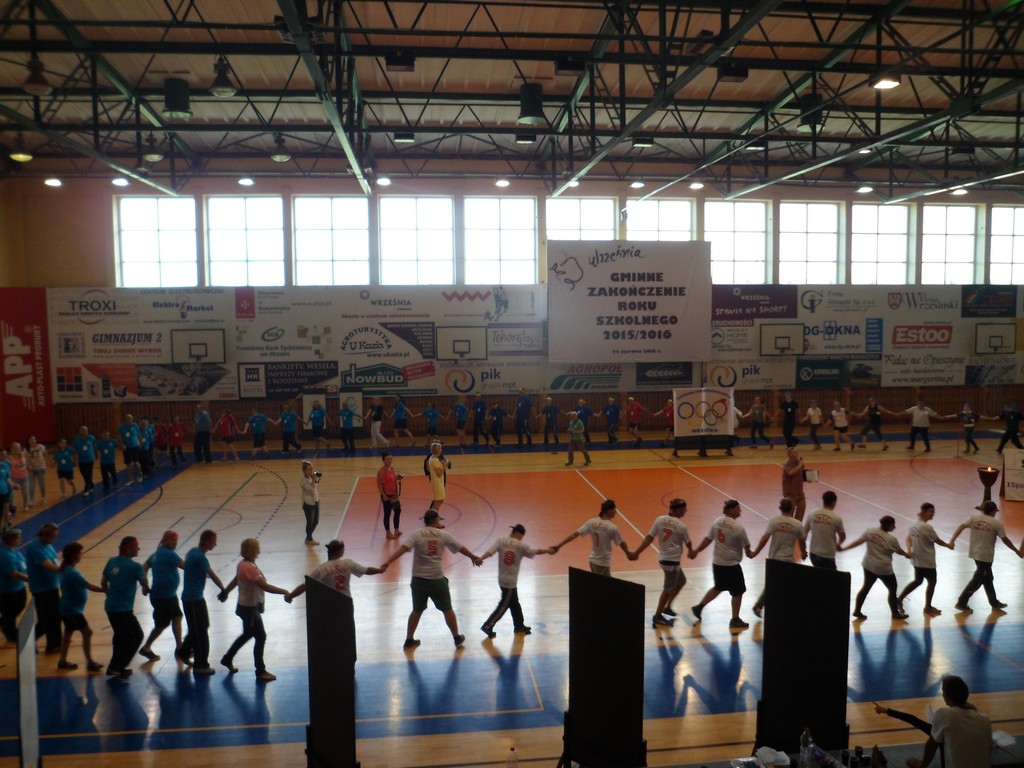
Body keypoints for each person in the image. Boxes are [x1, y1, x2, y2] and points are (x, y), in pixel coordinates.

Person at [382, 509, 483, 649]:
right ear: (435, 520)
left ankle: (409, 639)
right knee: (447, 609)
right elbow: (460, 547)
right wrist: (473, 557)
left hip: (418, 581)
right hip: (437, 580)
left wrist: (388, 562)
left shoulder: (417, 534)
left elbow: (403, 549)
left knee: (417, 610)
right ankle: (456, 637)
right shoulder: (443, 535)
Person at [218, 538, 291, 681]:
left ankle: (227, 658)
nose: (259, 550)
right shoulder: (248, 567)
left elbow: (236, 580)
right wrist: (285, 591)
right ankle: (260, 671)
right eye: (257, 547)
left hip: (245, 607)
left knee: (248, 635)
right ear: (253, 550)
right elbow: (265, 586)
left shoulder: (243, 564)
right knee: (260, 636)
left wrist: (226, 591)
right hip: (249, 609)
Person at [689, 499, 754, 629]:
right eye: (738, 508)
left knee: (719, 587)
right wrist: (751, 553)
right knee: (738, 591)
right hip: (731, 565)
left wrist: (696, 551)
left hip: (717, 563)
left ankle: (699, 607)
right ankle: (735, 619)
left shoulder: (717, 522)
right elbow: (747, 547)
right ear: (731, 510)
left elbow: (708, 539)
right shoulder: (738, 528)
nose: (740, 510)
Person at [479, 524, 553, 637]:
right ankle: (487, 625)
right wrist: (548, 550)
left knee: (514, 604)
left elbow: (490, 551)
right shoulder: (521, 546)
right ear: (518, 534)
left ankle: (519, 626)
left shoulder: (501, 540)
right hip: (510, 582)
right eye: (522, 535)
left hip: (502, 579)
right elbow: (535, 551)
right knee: (504, 606)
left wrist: (481, 558)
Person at [904, 675, 993, 768]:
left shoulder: (943, 714)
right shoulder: (985, 719)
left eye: (943, 692)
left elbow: (931, 746)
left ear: (946, 696)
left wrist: (922, 765)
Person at [949, 500, 1022, 612]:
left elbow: (961, 527)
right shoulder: (996, 523)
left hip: (975, 553)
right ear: (993, 511)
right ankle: (961, 602)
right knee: (978, 580)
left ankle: (994, 602)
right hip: (986, 556)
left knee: (988, 578)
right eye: (995, 511)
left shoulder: (973, 518)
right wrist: (1016, 551)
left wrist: (952, 540)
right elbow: (1005, 539)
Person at [631, 498, 693, 627]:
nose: (685, 511)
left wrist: (637, 552)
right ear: (676, 510)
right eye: (683, 509)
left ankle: (668, 607)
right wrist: (692, 552)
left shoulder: (660, 520)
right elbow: (688, 543)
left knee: (681, 581)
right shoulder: (681, 526)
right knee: (668, 589)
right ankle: (657, 616)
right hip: (672, 562)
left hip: (664, 559)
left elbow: (649, 538)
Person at [841, 515, 910, 621]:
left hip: (869, 565)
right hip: (884, 569)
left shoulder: (870, 531)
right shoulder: (891, 539)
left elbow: (858, 541)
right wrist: (907, 555)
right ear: (888, 525)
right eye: (893, 525)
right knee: (892, 589)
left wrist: (845, 548)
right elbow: (899, 551)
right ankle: (895, 613)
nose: (895, 527)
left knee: (866, 587)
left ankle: (857, 610)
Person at [748, 498, 807, 617]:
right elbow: (802, 541)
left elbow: (765, 537)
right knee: (788, 584)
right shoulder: (797, 524)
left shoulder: (774, 521)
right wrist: (803, 552)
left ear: (780, 508)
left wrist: (756, 552)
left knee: (773, 584)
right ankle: (766, 606)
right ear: (792, 509)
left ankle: (760, 605)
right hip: (787, 560)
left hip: (773, 559)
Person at [102, 536, 150, 680]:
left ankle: (114, 666)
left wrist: (110, 595)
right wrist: (147, 589)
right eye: (136, 547)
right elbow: (144, 583)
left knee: (120, 636)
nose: (138, 549)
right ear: (128, 549)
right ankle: (118, 666)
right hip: (122, 609)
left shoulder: (112, 561)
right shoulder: (135, 567)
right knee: (136, 636)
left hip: (110, 606)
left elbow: (103, 582)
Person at [180, 529, 226, 676]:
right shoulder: (200, 557)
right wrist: (224, 589)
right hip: (193, 600)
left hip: (193, 598)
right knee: (200, 632)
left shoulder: (192, 552)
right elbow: (212, 575)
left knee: (199, 627)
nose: (215, 544)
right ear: (206, 541)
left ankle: (184, 652)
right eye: (214, 541)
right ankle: (200, 664)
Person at [897, 503, 954, 616]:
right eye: (931, 511)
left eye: (933, 512)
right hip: (927, 560)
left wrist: (909, 550)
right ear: (924, 511)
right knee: (932, 582)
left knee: (918, 581)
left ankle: (899, 599)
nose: (933, 514)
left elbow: (908, 539)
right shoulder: (926, 527)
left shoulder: (913, 525)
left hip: (917, 560)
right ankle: (928, 607)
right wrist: (948, 546)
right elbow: (937, 540)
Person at [56, 542, 105, 672]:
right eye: (80, 553)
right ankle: (90, 662)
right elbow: (90, 586)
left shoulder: (66, 569)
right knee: (87, 632)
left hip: (68, 608)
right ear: (74, 556)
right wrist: (106, 590)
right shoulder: (72, 572)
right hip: (72, 610)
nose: (82, 555)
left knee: (68, 633)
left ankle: (62, 661)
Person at [139, 530, 187, 662]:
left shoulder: (156, 554)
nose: (175, 543)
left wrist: (144, 586)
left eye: (176, 540)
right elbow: (185, 566)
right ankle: (180, 649)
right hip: (165, 596)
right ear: (166, 541)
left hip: (162, 595)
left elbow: (143, 567)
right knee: (174, 618)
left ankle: (147, 648)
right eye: (173, 540)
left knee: (165, 622)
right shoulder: (169, 554)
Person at [553, 499, 633, 576]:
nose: (615, 512)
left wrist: (558, 546)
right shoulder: (612, 527)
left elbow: (574, 534)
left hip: (593, 561)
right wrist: (628, 553)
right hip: (603, 562)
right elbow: (621, 543)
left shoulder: (591, 522)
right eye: (614, 509)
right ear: (609, 511)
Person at [287, 539, 385, 602]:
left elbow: (305, 585)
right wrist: (380, 570)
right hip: (346, 601)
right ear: (340, 551)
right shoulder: (348, 563)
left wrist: (290, 596)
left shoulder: (323, 568)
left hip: (331, 603)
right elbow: (367, 571)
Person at [26, 522, 63, 654]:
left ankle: (54, 645)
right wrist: (65, 569)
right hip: (41, 590)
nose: (55, 539)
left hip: (51, 587)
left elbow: (55, 560)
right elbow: (48, 565)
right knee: (46, 620)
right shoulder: (35, 547)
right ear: (44, 535)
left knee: (55, 617)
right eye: (53, 536)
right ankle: (27, 642)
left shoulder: (47, 545)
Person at [0, 528, 29, 644]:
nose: (20, 540)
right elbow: (13, 573)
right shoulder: (5, 555)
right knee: (9, 613)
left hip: (19, 586)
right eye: (17, 538)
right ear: (9, 540)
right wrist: (29, 579)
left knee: (20, 605)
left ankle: (3, 623)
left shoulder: (15, 550)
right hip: (7, 590)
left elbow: (23, 564)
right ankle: (11, 635)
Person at [804, 491, 846, 569]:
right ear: (834, 503)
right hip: (828, 556)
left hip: (814, 554)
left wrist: (803, 550)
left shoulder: (812, 514)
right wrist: (838, 544)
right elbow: (843, 537)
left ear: (823, 501)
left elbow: (804, 534)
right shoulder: (836, 518)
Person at [377, 451, 403, 539]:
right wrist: (384, 495)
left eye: (390, 459)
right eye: (387, 459)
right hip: (387, 495)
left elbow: (392, 478)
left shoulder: (392, 468)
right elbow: (379, 484)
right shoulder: (381, 471)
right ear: (383, 460)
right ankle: (388, 532)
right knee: (387, 514)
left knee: (398, 510)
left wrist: (397, 477)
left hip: (394, 495)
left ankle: (396, 529)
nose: (389, 461)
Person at [781, 446, 807, 521]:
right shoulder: (788, 463)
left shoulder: (798, 462)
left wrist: (808, 478)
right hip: (790, 494)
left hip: (800, 493)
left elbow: (799, 474)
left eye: (797, 451)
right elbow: (790, 472)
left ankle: (797, 526)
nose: (797, 453)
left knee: (801, 511)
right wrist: (800, 465)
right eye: (794, 452)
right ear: (789, 454)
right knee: (788, 516)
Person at [300, 460, 321, 545]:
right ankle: (309, 539)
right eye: (309, 469)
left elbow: (316, 486)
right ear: (304, 471)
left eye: (312, 469)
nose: (311, 471)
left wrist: (315, 479)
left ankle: (308, 538)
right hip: (308, 503)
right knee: (310, 522)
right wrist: (313, 480)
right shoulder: (303, 481)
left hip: (315, 501)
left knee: (316, 521)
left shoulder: (310, 477)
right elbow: (312, 490)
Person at [118, 413, 143, 484]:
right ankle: (131, 478)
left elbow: (139, 435)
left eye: (130, 419)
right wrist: (121, 444)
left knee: (136, 462)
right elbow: (119, 437)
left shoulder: (135, 426)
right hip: (127, 448)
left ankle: (140, 474)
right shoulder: (122, 427)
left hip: (135, 446)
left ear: (132, 419)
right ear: (125, 419)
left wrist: (141, 442)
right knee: (128, 463)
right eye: (127, 419)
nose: (129, 420)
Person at [25, 435, 49, 507]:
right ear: (28, 441)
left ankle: (44, 497)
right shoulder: (26, 449)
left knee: (41, 483)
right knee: (31, 485)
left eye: (34, 439)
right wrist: (27, 466)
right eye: (31, 440)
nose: (33, 441)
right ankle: (32, 500)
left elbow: (46, 454)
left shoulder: (40, 446)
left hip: (40, 468)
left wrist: (51, 462)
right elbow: (25, 458)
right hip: (31, 469)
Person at [7, 442, 30, 510]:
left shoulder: (23, 455)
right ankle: (12, 506)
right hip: (14, 477)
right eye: (14, 448)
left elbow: (26, 464)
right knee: (12, 494)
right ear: (11, 449)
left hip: (24, 477)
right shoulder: (9, 458)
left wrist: (27, 467)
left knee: (25, 492)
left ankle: (26, 505)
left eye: (18, 448)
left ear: (20, 448)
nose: (16, 449)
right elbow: (7, 468)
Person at [427, 442, 449, 511]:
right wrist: (444, 466)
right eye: (440, 449)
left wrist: (441, 462)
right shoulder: (435, 461)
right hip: (437, 483)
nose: (441, 450)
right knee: (438, 500)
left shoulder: (432, 458)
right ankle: (433, 514)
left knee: (439, 500)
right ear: (438, 450)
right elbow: (439, 473)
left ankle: (435, 514)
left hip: (437, 482)